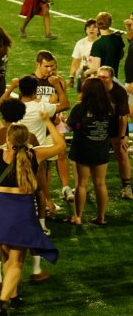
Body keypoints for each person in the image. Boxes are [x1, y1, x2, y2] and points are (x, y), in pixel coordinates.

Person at [0, 103, 65, 316]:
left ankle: (12, 295)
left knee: (8, 256)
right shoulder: (35, 154)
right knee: (17, 259)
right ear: (27, 139)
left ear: (8, 140)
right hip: (22, 209)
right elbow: (60, 145)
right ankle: (3, 300)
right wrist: (47, 121)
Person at [68, 76, 114, 225]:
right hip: (101, 149)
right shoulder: (109, 108)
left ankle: (78, 217)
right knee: (100, 183)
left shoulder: (80, 108)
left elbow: (69, 127)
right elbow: (111, 129)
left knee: (81, 183)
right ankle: (101, 217)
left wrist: (60, 121)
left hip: (83, 149)